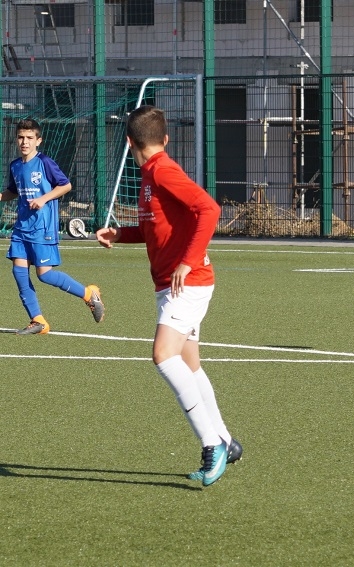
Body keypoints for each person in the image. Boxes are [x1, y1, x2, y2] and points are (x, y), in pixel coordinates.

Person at [95, 105, 241, 486]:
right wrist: (120, 234)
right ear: (165, 138)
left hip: (187, 284)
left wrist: (187, 263)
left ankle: (212, 444)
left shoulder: (162, 170)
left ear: (129, 142)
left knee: (162, 355)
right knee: (189, 365)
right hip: (172, 285)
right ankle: (226, 440)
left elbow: (209, 209)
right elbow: (155, 229)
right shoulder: (150, 175)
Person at [2, 118, 105, 334]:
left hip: (42, 228)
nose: (24, 142)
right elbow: (13, 191)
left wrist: (43, 199)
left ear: (38, 141)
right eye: (21, 137)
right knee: (19, 272)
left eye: (29, 138)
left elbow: (65, 185)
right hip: (21, 228)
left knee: (45, 274)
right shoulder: (15, 166)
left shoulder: (45, 162)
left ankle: (89, 295)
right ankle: (38, 321)